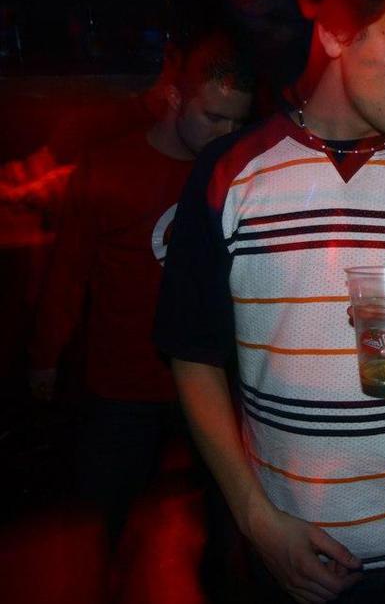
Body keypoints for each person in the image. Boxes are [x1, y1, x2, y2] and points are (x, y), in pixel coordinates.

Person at [153, 0, 385, 602]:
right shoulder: (230, 171)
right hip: (289, 551)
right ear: (337, 31)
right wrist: (257, 522)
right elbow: (193, 354)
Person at [26, 30, 254, 547]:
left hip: (211, 383)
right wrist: (44, 359)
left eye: (237, 121)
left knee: (228, 529)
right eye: (213, 117)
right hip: (121, 389)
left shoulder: (238, 173)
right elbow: (67, 275)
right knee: (99, 528)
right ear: (174, 98)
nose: (227, 133)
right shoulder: (109, 167)